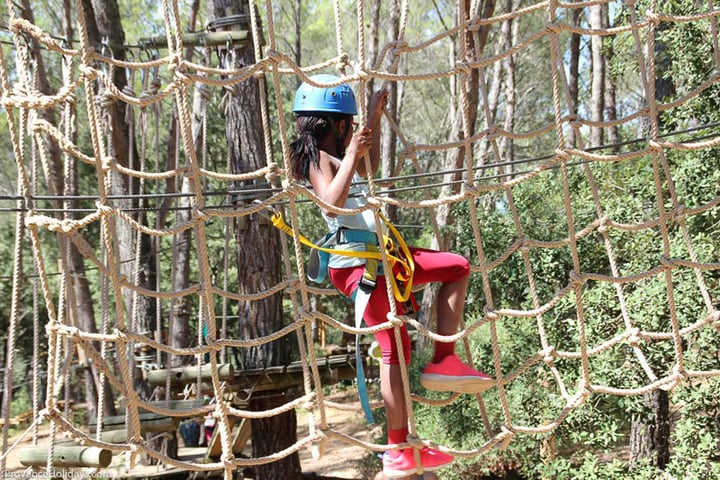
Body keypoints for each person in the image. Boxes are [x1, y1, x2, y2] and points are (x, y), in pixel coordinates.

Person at [289, 74, 495, 478]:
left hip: (386, 259)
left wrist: (373, 118)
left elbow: (370, 164)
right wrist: (352, 155)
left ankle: (444, 359)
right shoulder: (317, 159)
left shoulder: (345, 156)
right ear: (339, 125)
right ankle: (398, 448)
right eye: (351, 126)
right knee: (394, 349)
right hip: (358, 264)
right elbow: (331, 205)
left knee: (456, 266)